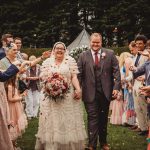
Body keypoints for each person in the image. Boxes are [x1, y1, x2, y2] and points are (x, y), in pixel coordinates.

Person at [35, 42, 87, 150]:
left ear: (65, 50)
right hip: (50, 98)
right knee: (52, 120)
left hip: (68, 97)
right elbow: (43, 78)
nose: (59, 50)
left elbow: (74, 77)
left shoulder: (70, 61)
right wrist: (50, 86)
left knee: (67, 120)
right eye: (57, 48)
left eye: (62, 48)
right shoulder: (47, 62)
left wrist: (78, 89)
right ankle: (53, 145)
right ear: (53, 50)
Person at [77, 33, 121, 150]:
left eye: (98, 42)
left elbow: (116, 72)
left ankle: (103, 143)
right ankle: (91, 145)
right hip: (89, 93)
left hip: (106, 93)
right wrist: (77, 89)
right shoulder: (83, 56)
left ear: (101, 42)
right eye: (93, 42)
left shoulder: (110, 54)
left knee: (103, 118)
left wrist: (116, 88)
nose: (95, 44)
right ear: (90, 42)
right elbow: (79, 75)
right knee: (92, 117)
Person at [0, 61, 29, 150]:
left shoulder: (14, 85)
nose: (18, 77)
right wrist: (21, 98)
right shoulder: (9, 86)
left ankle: (12, 143)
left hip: (16, 106)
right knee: (11, 124)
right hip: (12, 107)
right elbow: (3, 76)